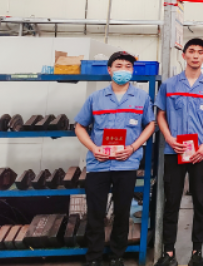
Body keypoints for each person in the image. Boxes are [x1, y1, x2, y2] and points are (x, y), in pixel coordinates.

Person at [74, 51, 156, 266]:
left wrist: (133, 147)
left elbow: (151, 125)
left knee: (122, 212)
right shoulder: (96, 98)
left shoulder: (141, 98)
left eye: (128, 67)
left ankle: (117, 255)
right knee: (96, 213)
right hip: (98, 164)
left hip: (126, 163)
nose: (123, 70)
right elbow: (80, 126)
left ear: (133, 71)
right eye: (119, 66)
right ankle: (94, 257)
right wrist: (94, 148)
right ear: (109, 70)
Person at [153, 39, 203, 266]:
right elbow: (160, 115)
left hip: (201, 153)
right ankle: (169, 252)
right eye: (191, 51)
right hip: (174, 152)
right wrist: (169, 139)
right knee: (171, 201)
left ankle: (196, 252)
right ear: (184, 55)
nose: (195, 55)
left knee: (201, 202)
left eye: (200, 52)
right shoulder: (169, 85)